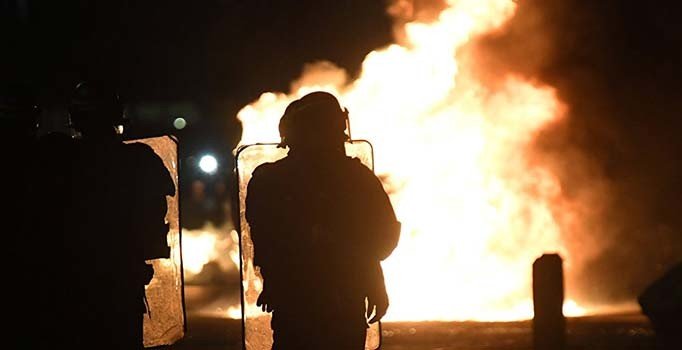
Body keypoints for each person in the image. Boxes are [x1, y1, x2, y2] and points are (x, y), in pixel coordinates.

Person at [245, 91, 401, 350]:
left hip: (294, 300)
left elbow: (263, 240)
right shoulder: (358, 178)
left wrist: (273, 283)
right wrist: (374, 284)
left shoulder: (268, 180)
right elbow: (381, 240)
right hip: (345, 301)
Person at [64, 81, 174, 349]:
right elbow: (157, 209)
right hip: (122, 280)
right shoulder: (139, 159)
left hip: (72, 282)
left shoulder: (58, 159)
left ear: (76, 119)